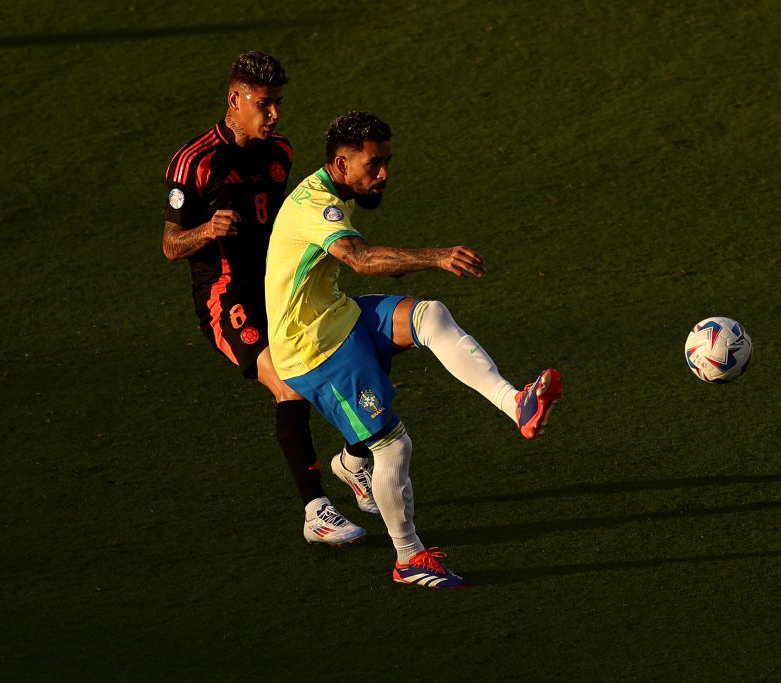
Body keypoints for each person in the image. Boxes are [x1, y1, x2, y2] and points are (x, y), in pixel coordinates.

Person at [264, 111, 563, 588]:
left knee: (431, 316)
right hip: (313, 351)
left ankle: (517, 404)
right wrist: (436, 256)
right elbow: (360, 260)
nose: (383, 174)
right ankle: (409, 558)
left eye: (387, 162)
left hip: (339, 316)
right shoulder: (316, 207)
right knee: (394, 445)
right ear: (341, 165)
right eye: (374, 164)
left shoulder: (335, 189)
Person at [161, 52, 375, 547]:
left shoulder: (279, 153)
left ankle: (353, 459)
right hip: (225, 293)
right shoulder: (194, 161)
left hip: (277, 286)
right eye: (265, 103)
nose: (275, 114)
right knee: (289, 383)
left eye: (278, 103)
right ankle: (316, 512)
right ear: (235, 100)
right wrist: (206, 230)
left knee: (351, 351)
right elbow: (171, 245)